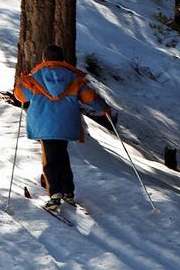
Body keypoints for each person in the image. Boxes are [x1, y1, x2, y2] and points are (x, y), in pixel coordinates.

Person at [14, 44, 111, 211]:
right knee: (62, 156)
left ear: (44, 59)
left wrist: (22, 81)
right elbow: (89, 97)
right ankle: (68, 192)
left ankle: (54, 195)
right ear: (62, 60)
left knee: (50, 160)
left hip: (44, 125)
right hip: (66, 124)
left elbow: (20, 96)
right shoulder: (73, 78)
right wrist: (104, 109)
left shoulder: (34, 78)